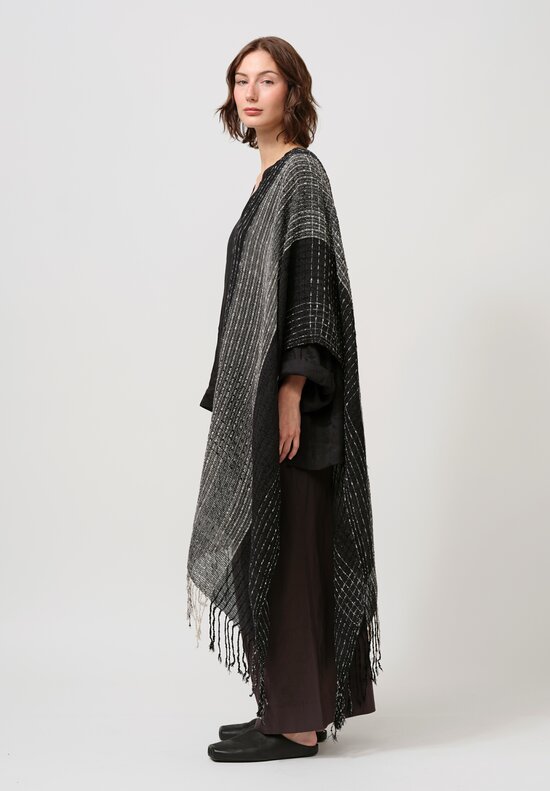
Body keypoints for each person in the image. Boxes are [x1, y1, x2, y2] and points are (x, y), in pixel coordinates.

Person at [186, 36, 382, 763]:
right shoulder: (268, 180)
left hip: (297, 405)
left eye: (266, 80)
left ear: (293, 92)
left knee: (293, 551)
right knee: (270, 548)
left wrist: (291, 391)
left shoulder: (301, 174)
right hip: (264, 397)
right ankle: (284, 706)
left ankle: (297, 726)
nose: (250, 92)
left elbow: (311, 290)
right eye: (241, 80)